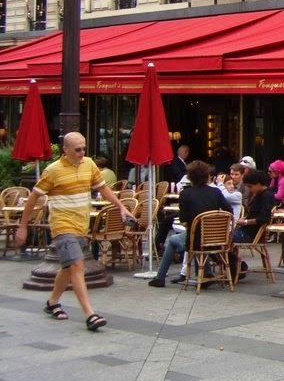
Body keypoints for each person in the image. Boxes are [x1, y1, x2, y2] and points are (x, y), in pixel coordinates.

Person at [14, 132, 135, 331]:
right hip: (62, 226)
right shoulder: (53, 170)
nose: (82, 152)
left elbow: (103, 188)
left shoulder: (88, 164)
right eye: (77, 149)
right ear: (66, 150)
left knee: (68, 267)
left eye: (84, 148)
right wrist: (23, 226)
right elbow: (33, 197)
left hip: (81, 225)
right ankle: (90, 314)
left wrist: (121, 207)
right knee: (77, 265)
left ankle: (53, 302)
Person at [148, 160, 232, 287]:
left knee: (174, 239)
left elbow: (184, 219)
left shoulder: (186, 194)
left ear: (190, 176)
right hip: (219, 239)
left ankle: (160, 277)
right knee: (197, 236)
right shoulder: (216, 192)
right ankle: (206, 274)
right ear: (207, 175)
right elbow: (229, 211)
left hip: (197, 240)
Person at [233, 170, 277, 243]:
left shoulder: (266, 196)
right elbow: (255, 214)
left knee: (222, 237)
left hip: (250, 234)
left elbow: (264, 218)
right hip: (247, 231)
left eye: (250, 186)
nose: (249, 189)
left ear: (258, 184)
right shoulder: (260, 193)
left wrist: (245, 222)